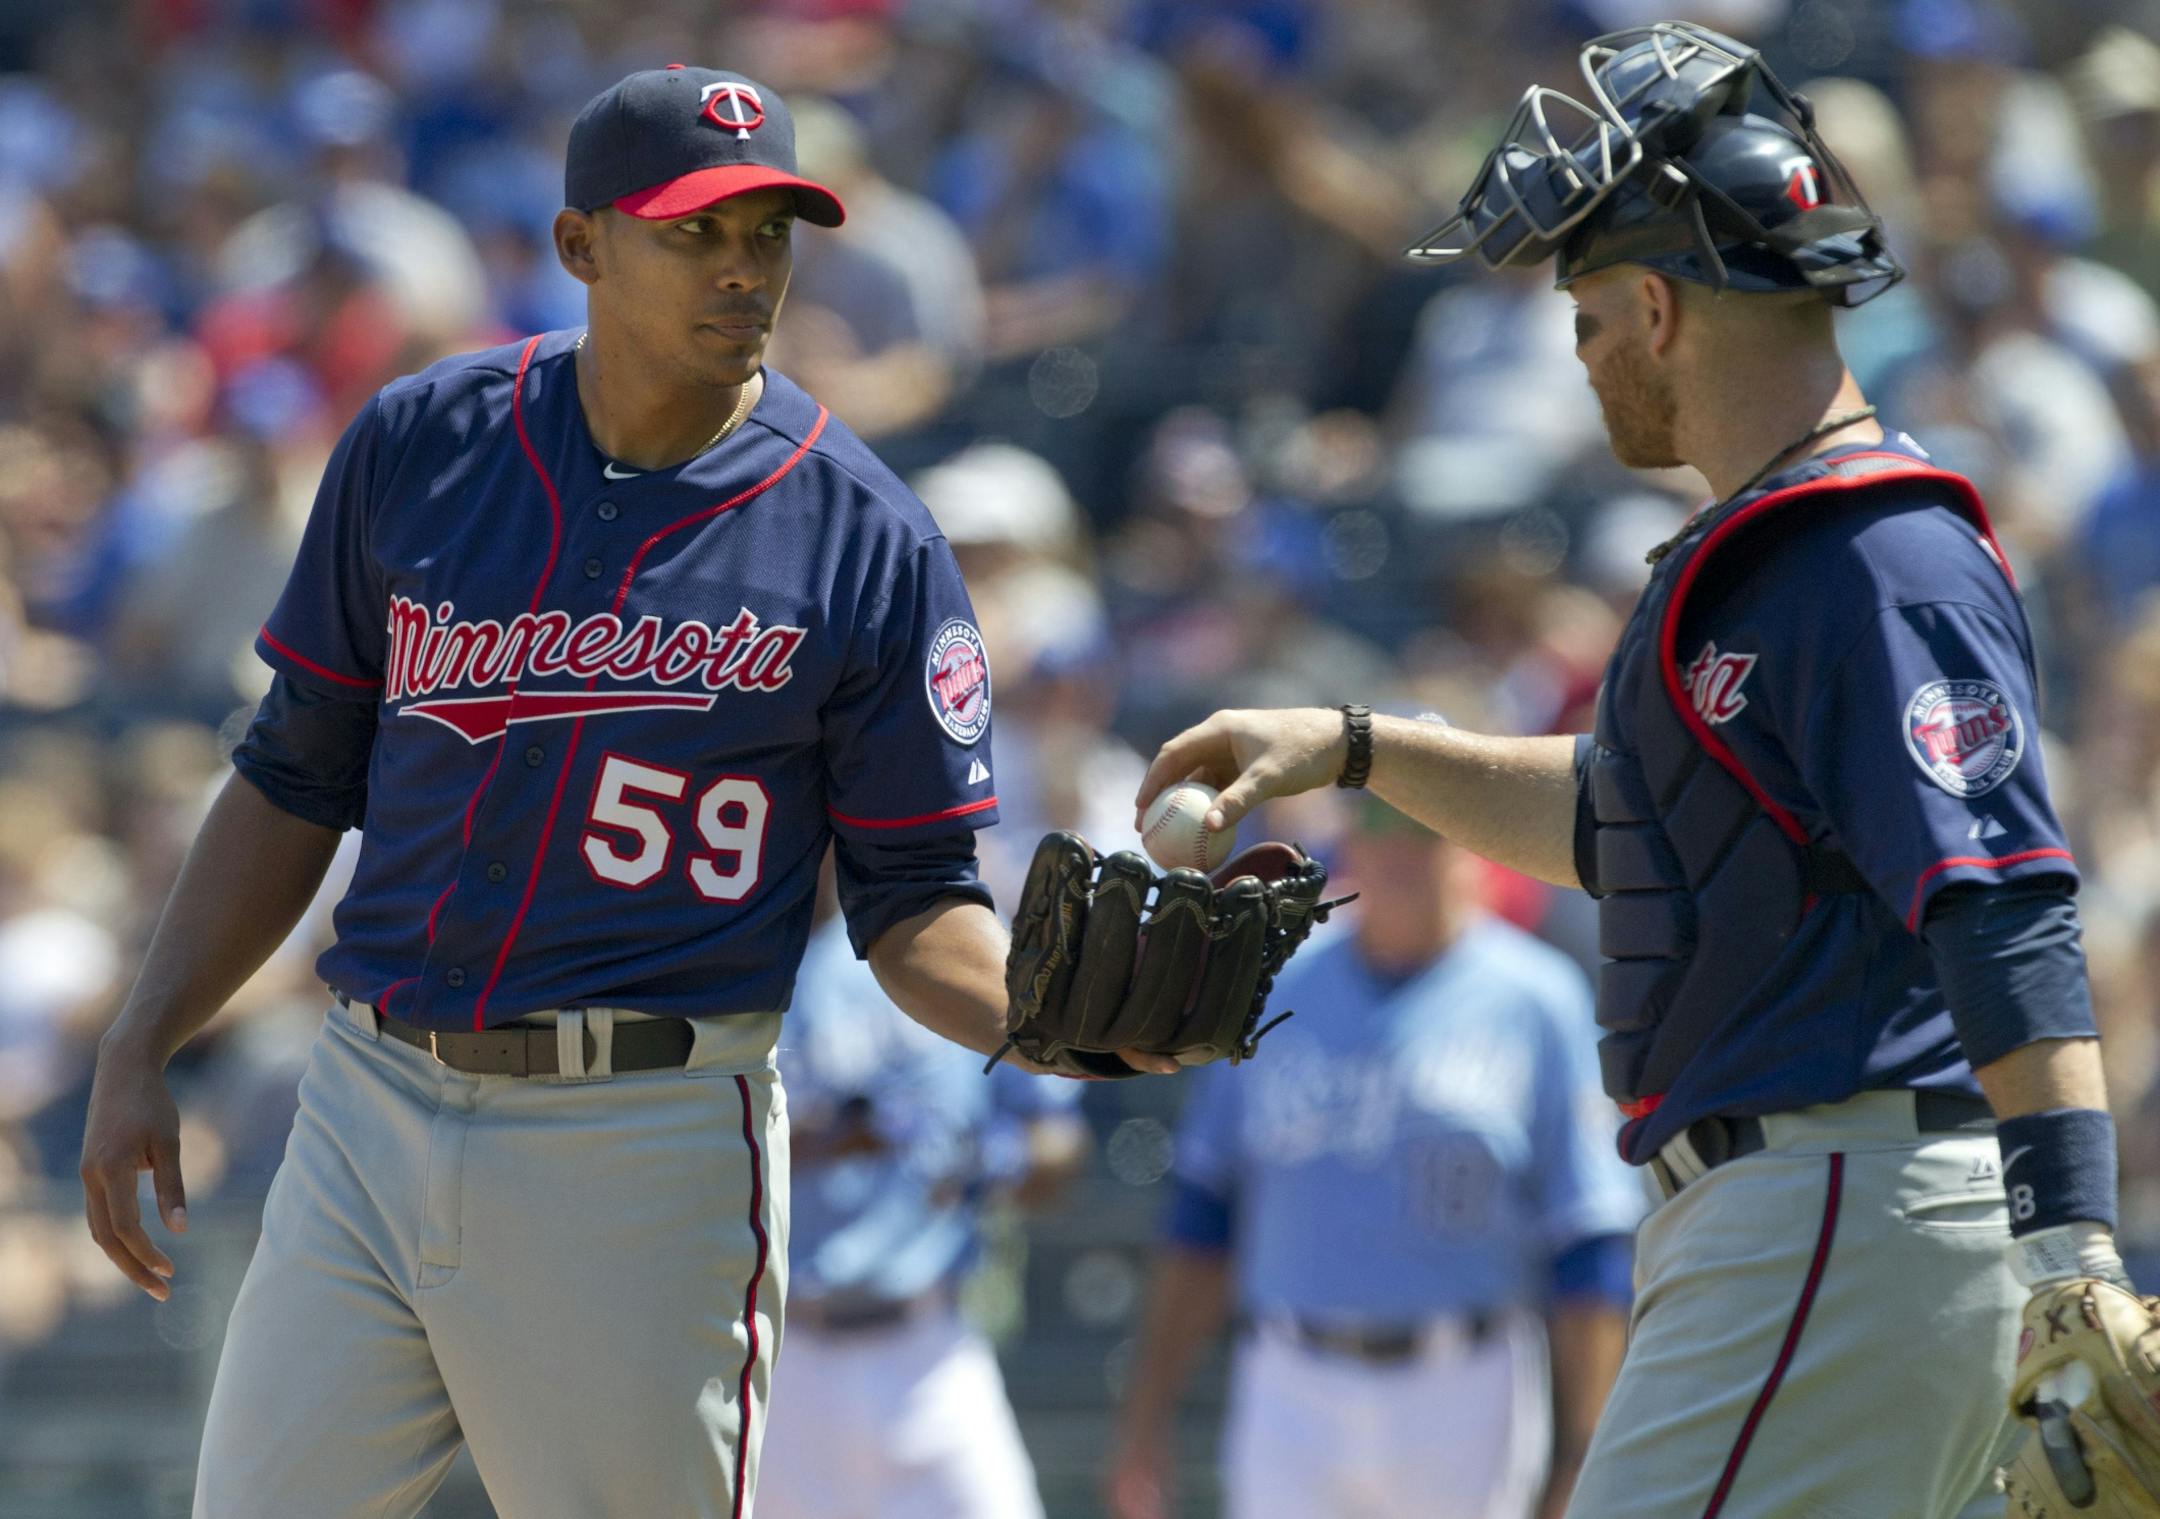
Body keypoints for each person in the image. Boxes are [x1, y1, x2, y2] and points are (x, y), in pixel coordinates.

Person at [75, 64, 1165, 1519]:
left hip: (639, 1132)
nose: (742, 269)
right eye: (693, 232)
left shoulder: (867, 540)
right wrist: (145, 1033)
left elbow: (915, 905)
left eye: (768, 234)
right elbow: (294, 770)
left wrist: (1057, 1016)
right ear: (581, 244)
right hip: (370, 1093)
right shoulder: (422, 443)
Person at [1137, 24, 2127, 1517]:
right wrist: (1352, 744)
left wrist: (2074, 1243)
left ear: (1658, 307)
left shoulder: (1869, 552)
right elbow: (1631, 821)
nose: (1583, 354)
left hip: (1837, 1203)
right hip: (1812, 1214)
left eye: (1588, 313)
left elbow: (2003, 901)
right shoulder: (1786, 551)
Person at [1104, 794, 1639, 1519]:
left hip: (1464, 1384)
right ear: (1351, 840)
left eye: (1424, 829)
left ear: (1469, 846)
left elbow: (1589, 1250)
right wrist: (1146, 1415)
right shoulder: (1274, 985)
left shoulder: (1537, 998)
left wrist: (1585, 1448)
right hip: (1289, 1380)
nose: (1399, 853)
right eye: (1380, 827)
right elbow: (1204, 1216)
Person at [757, 874, 1083, 1519]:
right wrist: (837, 1135)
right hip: (782, 1358)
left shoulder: (959, 962)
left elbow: (1060, 1147)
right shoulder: (756, 968)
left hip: (930, 1349)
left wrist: (988, 1158)